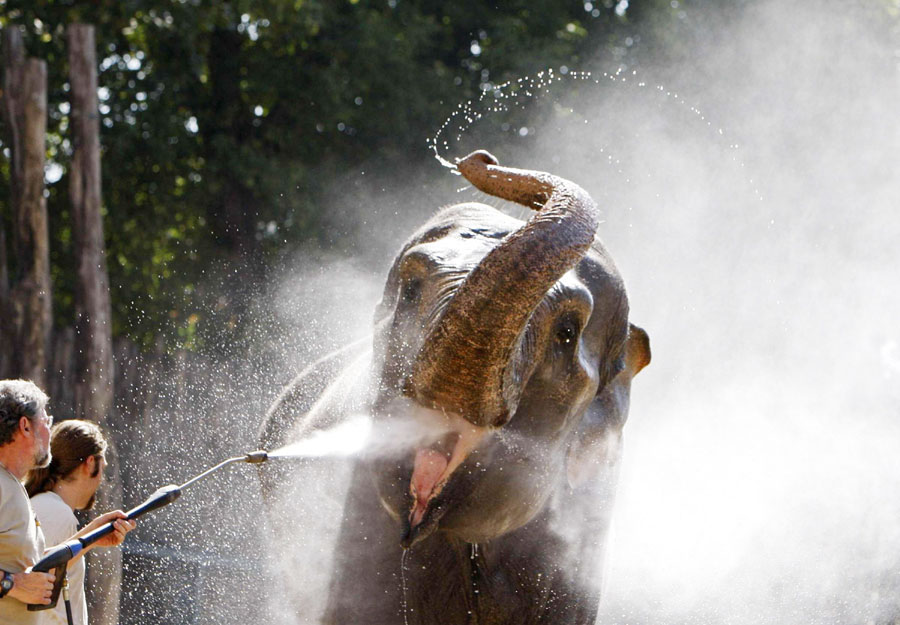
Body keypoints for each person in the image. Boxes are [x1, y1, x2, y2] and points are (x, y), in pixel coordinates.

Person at [0, 380, 134, 625]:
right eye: (46, 422)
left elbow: (37, 567)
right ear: (25, 427)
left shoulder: (13, 486)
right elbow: (20, 581)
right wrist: (12, 584)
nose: (49, 433)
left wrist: (90, 538)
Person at [25, 420, 111, 625]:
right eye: (102, 469)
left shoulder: (47, 506)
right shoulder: (54, 512)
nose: (101, 481)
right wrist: (92, 533)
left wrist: (94, 536)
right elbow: (33, 576)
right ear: (90, 463)